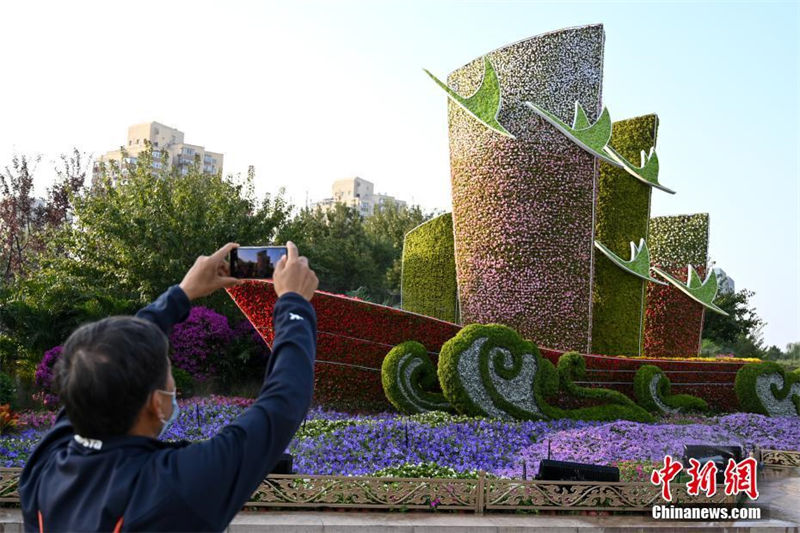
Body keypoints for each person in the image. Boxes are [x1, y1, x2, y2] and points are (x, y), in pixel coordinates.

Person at [20, 241, 319, 532]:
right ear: (156, 403)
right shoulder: (176, 487)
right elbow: (281, 404)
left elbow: (112, 355)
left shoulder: (43, 471)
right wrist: (293, 304)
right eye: (169, 371)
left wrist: (182, 294)